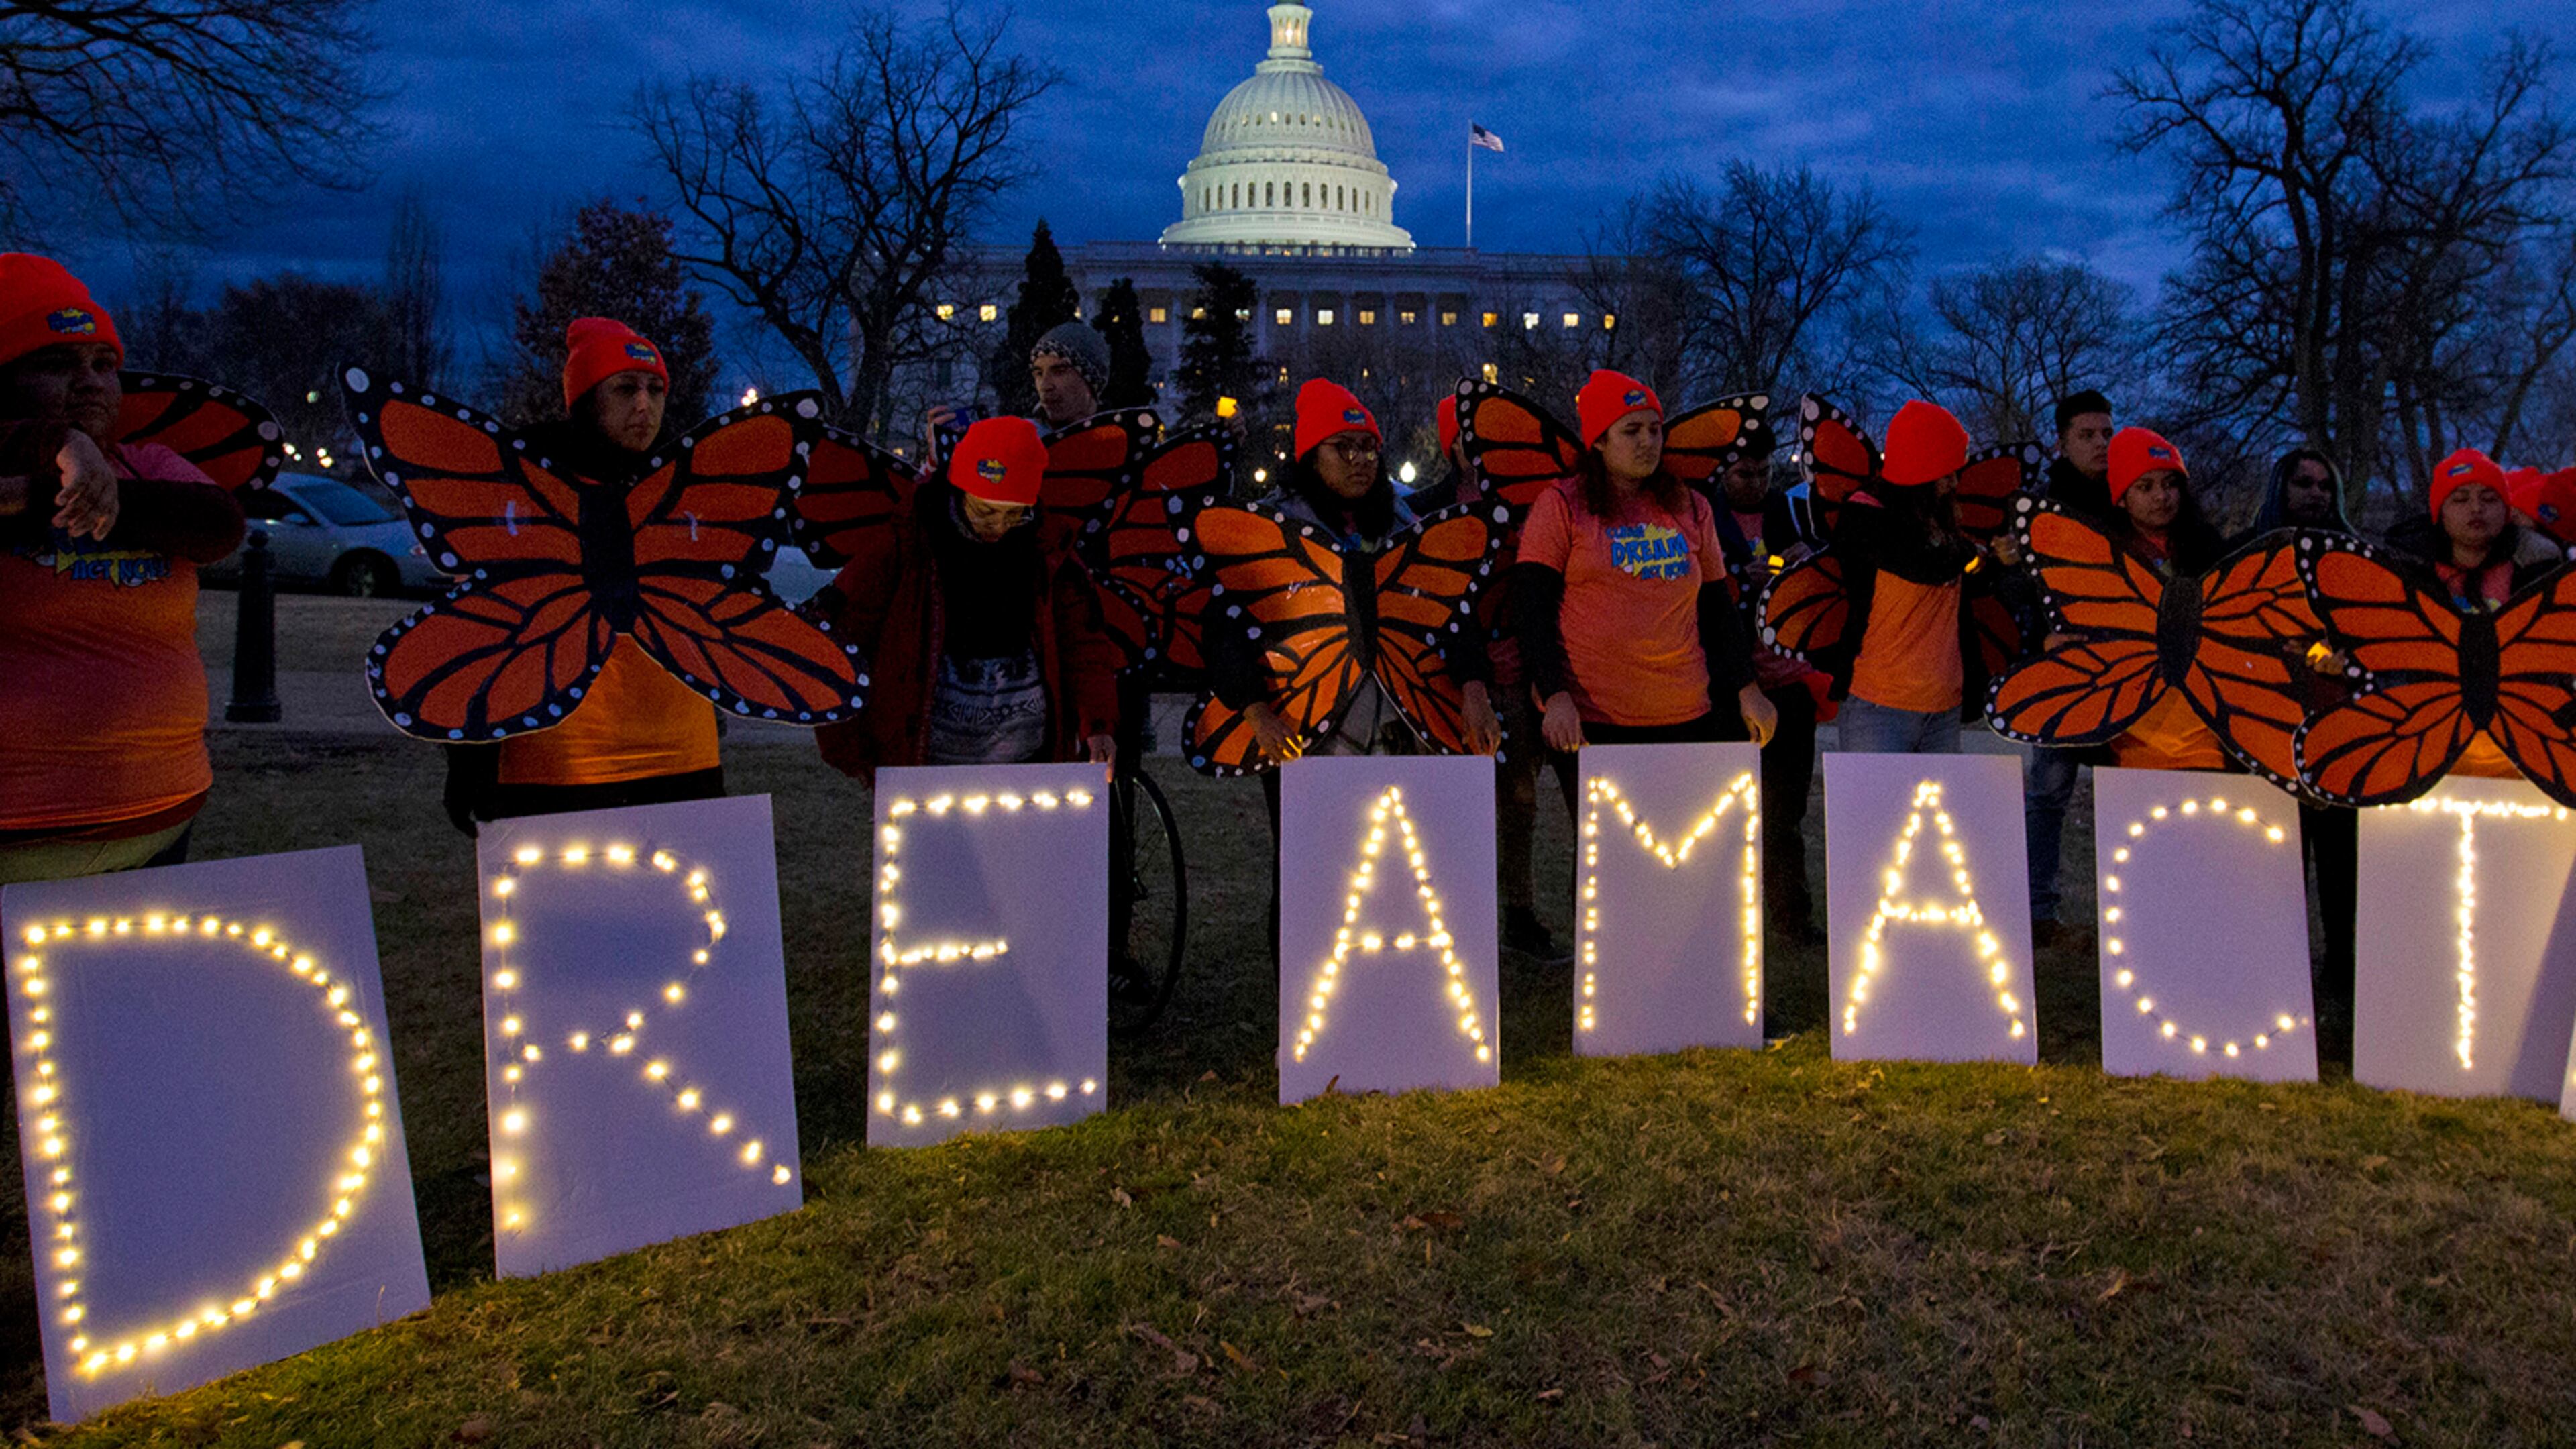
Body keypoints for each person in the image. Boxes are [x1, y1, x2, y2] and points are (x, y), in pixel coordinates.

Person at [0, 255, 248, 884]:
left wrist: (78, 487)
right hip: (21, 826)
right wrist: (55, 448)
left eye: (104, 365)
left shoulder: (150, 462)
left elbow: (216, 525)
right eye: (57, 364)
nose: (90, 382)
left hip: (161, 811)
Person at [441, 319, 726, 833]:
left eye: (656, 389)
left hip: (682, 758)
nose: (645, 405)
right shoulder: (524, 491)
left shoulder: (684, 488)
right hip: (559, 763)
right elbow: (476, 632)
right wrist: (470, 760)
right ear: (585, 398)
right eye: (625, 389)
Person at [1510, 371, 1777, 812]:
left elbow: (1716, 607)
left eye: (1655, 429)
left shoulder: (1692, 506)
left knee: (1676, 853)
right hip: (1594, 719)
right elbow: (1531, 608)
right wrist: (1554, 694)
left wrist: (1748, 688)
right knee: (1604, 865)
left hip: (1686, 712)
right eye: (1631, 430)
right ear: (1598, 440)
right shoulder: (1560, 505)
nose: (1647, 442)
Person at [1208, 380, 1502, 771]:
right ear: (1312, 455)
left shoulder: (1403, 525)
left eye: (1368, 448)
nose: (1360, 459)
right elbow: (1225, 626)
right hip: (1300, 722)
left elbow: (1452, 611)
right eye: (1343, 447)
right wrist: (1257, 712)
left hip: (1401, 718)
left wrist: (1474, 689)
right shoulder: (1272, 531)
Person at [812, 416, 1122, 778]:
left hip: (1029, 762)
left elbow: (1084, 645)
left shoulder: (1048, 551)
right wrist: (849, 749)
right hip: (925, 763)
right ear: (959, 492)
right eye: (985, 511)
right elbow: (843, 639)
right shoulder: (906, 546)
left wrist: (1098, 723)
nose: (999, 526)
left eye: (1015, 514)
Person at [1413, 392, 1568, 962]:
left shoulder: (1534, 504)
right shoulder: (1427, 508)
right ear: (1449, 443)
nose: (1475, 450)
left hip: (1519, 666)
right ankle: (1454, 914)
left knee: (1520, 800)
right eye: (1464, 438)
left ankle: (1518, 912)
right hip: (1450, 676)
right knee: (1453, 800)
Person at [2245, 445, 2361, 1049]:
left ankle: (2343, 968)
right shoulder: (2249, 551)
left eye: (2325, 484)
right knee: (2276, 861)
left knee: (2343, 864)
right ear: (2280, 488)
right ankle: (2276, 972)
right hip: (2268, 723)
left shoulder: (2355, 557)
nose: (2315, 493)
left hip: (2340, 727)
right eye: (2303, 483)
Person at [1705, 439, 1833, 943]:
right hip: (1731, 684)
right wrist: (1740, 576)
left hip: (1788, 683)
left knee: (1785, 812)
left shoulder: (1789, 514)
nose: (1755, 484)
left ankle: (1791, 917)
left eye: (1762, 473)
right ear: (1724, 475)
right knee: (1725, 808)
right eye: (1743, 475)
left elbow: (1826, 571)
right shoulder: (1707, 518)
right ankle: (1727, 918)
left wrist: (1803, 561)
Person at [1827, 400, 1988, 755]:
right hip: (1879, 705)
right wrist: (1970, 553)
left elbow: (1956, 588)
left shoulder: (1940, 517)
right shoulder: (1865, 513)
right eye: (1946, 472)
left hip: (1943, 706)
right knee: (1877, 810)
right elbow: (1923, 564)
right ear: (1921, 470)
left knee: (1938, 812)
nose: (1954, 482)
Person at [2088, 429, 2231, 772]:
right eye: (2145, 487)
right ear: (2121, 498)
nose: (2162, 497)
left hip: (2203, 723)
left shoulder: (2209, 548)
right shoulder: (2103, 555)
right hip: (2132, 725)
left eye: (2170, 484)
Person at [2026, 389, 2114, 943]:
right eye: (2087, 435)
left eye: (2107, 433)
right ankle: (2038, 913)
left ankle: (2129, 910)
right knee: (2048, 791)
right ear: (2061, 441)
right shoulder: (2043, 505)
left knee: (2122, 791)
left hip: (2121, 666)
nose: (2101, 444)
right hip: (2062, 668)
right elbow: (2025, 583)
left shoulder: (2125, 495)